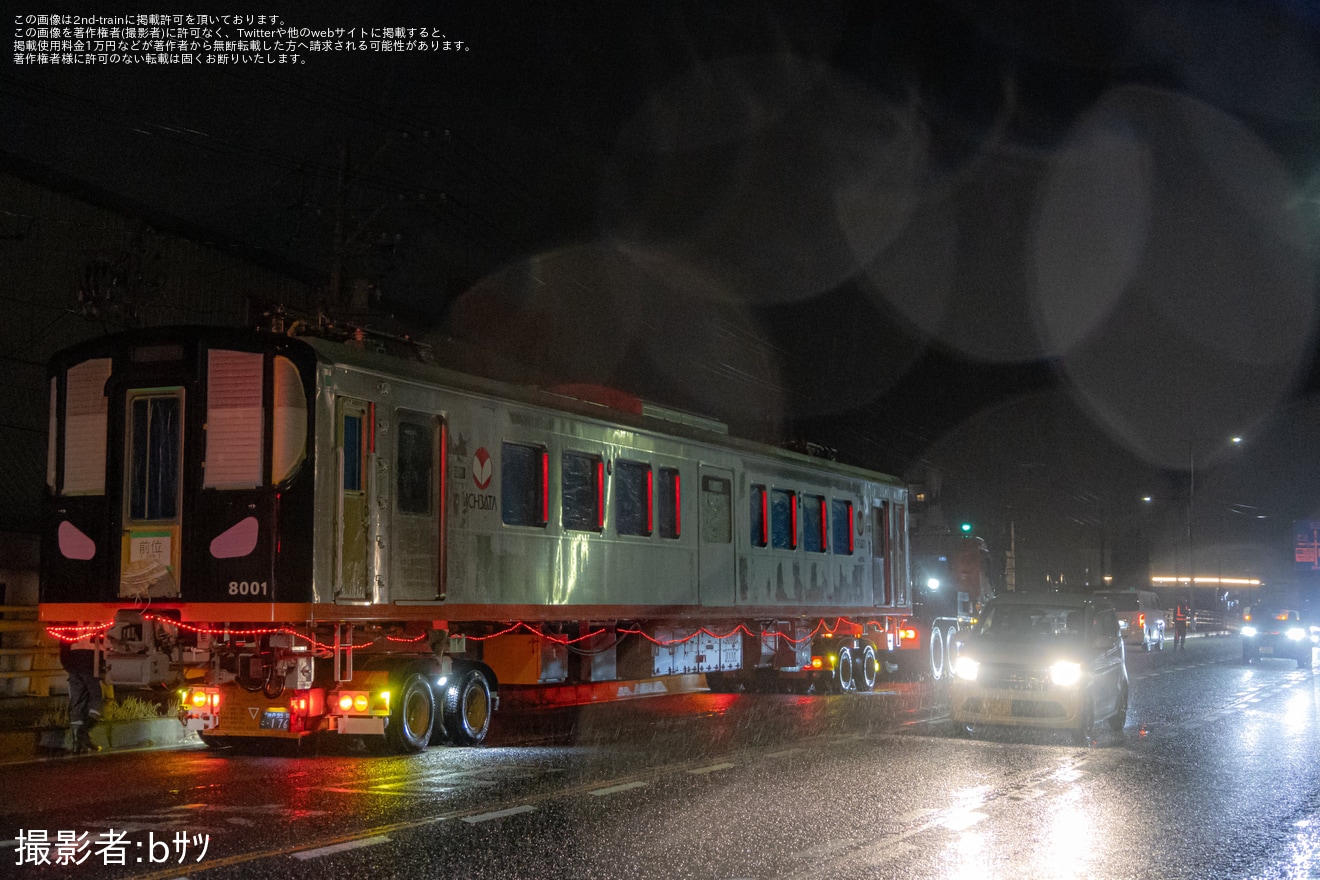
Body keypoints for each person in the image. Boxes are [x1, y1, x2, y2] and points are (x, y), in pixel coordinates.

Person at [59, 637, 104, 754]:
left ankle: (76, 743)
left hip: (73, 663)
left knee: (77, 702)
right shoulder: (101, 622)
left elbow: (63, 644)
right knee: (97, 698)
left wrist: (67, 664)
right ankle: (84, 732)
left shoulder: (73, 621)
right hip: (91, 662)